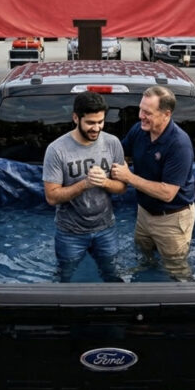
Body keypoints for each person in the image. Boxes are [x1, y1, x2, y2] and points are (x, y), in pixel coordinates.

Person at [111, 86, 195, 281]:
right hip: (144, 213)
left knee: (177, 271)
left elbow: (168, 193)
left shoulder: (179, 144)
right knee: (143, 257)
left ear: (166, 114)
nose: (141, 116)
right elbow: (120, 152)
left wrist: (128, 177)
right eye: (141, 109)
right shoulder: (140, 130)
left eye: (147, 112)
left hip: (172, 218)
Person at [43, 92, 127, 282]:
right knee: (64, 277)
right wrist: (84, 184)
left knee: (113, 275)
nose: (96, 128)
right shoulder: (57, 150)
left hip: (106, 228)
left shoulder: (113, 144)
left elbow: (122, 187)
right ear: (75, 118)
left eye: (100, 122)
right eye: (90, 122)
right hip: (69, 233)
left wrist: (104, 182)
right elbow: (51, 197)